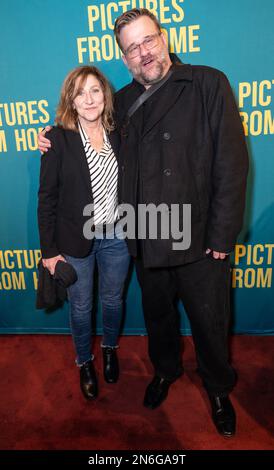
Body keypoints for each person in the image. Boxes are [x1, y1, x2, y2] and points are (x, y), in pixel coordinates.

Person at [38, 9, 249, 436]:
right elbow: (86, 130)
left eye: (147, 40)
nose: (143, 52)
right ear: (124, 56)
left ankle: (218, 388)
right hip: (148, 232)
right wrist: (53, 135)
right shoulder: (125, 102)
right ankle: (166, 371)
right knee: (159, 319)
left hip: (200, 236)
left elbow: (232, 162)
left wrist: (222, 235)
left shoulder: (209, 82)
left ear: (164, 38)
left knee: (210, 321)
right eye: (131, 47)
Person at [37, 65, 130, 401]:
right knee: (80, 308)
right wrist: (49, 251)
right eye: (80, 92)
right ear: (71, 101)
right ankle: (84, 361)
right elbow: (46, 199)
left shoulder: (120, 132)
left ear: (105, 95)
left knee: (112, 300)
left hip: (117, 237)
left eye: (95, 90)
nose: (89, 99)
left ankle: (108, 348)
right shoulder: (57, 139)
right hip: (75, 242)